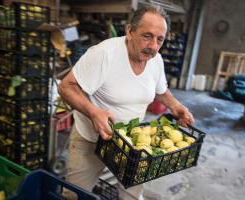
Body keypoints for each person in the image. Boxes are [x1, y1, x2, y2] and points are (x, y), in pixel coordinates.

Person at [58, 5, 195, 200]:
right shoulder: (104, 54)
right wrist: (93, 111)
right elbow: (66, 87)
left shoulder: (156, 60)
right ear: (130, 31)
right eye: (147, 36)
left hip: (132, 143)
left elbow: (161, 90)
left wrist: (176, 106)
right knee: (74, 195)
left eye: (160, 39)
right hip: (91, 139)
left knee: (132, 194)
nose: (154, 46)